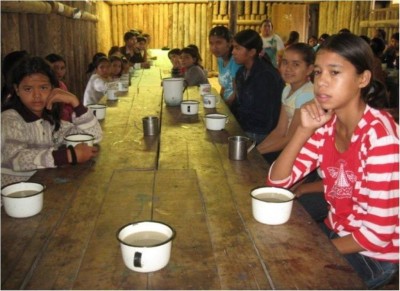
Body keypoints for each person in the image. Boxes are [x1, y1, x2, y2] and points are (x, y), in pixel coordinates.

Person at [266, 33, 399, 289]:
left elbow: (377, 234)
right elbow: (277, 183)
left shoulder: (381, 138)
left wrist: (316, 251)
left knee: (290, 277)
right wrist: (304, 131)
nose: (322, 83)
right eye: (318, 73)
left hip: (374, 254)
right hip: (338, 231)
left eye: (334, 73)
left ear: (363, 78)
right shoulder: (328, 125)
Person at [1, 56, 102, 186]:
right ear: (17, 90)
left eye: (43, 88)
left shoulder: (50, 122)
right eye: (28, 89)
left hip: (44, 187)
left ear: (53, 89)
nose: (36, 95)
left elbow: (94, 136)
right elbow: (17, 158)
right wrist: (68, 155)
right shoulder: (9, 119)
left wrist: (76, 103)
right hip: (10, 199)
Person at [257, 43, 315, 164]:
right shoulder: (287, 89)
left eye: (296, 64)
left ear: (309, 69)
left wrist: (257, 153)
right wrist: (255, 150)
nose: (288, 68)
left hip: (305, 153)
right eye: (284, 62)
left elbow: (291, 138)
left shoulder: (307, 95)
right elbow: (280, 130)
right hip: (289, 146)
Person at [232, 29, 284, 144]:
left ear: (252, 52)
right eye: (234, 48)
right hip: (247, 126)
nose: (233, 52)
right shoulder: (241, 73)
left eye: (237, 48)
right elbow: (240, 104)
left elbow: (265, 117)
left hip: (261, 132)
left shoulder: (266, 76)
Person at [208, 26, 242, 107]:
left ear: (229, 43)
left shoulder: (235, 61)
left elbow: (236, 93)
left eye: (218, 43)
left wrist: (224, 108)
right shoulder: (220, 59)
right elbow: (224, 87)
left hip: (235, 107)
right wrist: (220, 101)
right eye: (211, 43)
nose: (214, 47)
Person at [45, 53, 74, 122]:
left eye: (62, 68)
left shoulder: (62, 85)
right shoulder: (45, 87)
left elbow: (68, 104)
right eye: (55, 68)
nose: (59, 71)